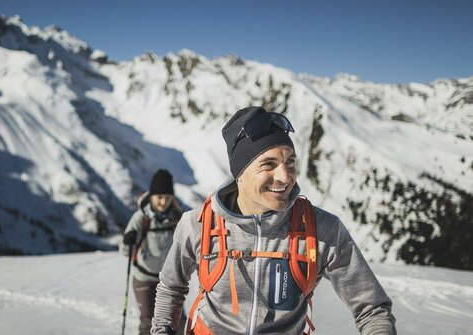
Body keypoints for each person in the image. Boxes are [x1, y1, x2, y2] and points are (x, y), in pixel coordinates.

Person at [151, 107, 396, 334]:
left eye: (290, 162)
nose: (284, 176)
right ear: (240, 174)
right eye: (268, 164)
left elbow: (371, 307)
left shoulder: (322, 229)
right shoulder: (199, 225)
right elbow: (171, 288)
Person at [122, 169, 184, 335]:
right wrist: (129, 240)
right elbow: (125, 251)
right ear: (152, 196)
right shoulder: (141, 218)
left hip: (170, 280)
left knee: (178, 321)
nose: (163, 202)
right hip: (144, 278)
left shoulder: (177, 218)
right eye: (159, 197)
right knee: (148, 322)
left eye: (167, 197)